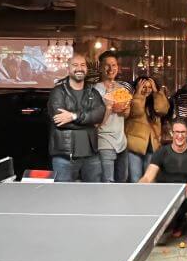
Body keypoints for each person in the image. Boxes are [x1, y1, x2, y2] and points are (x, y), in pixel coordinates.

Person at [139, 117, 187, 252]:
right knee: (151, 190)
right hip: (167, 201)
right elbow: (148, 177)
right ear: (171, 133)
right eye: (176, 132)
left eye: (183, 132)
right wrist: (139, 186)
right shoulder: (161, 152)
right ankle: (178, 222)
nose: (179, 135)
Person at [47, 52, 105, 182]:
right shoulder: (58, 92)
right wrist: (88, 120)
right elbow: (59, 120)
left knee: (94, 195)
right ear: (68, 69)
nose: (79, 68)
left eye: (83, 65)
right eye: (75, 65)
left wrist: (73, 116)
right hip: (64, 157)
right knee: (64, 197)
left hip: (91, 156)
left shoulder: (93, 92)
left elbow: (99, 115)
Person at [93, 51, 132, 183]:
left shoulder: (121, 88)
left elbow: (126, 115)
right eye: (107, 65)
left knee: (122, 180)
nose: (111, 69)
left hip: (122, 142)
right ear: (100, 67)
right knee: (108, 182)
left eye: (114, 65)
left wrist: (125, 109)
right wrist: (109, 106)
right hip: (104, 141)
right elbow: (95, 121)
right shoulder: (95, 90)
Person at [125, 75, 170, 182]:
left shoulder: (157, 98)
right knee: (135, 180)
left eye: (150, 87)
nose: (147, 90)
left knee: (150, 180)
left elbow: (162, 110)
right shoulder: (132, 99)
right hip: (134, 147)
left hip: (152, 147)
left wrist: (156, 92)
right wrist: (138, 95)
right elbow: (136, 112)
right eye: (143, 87)